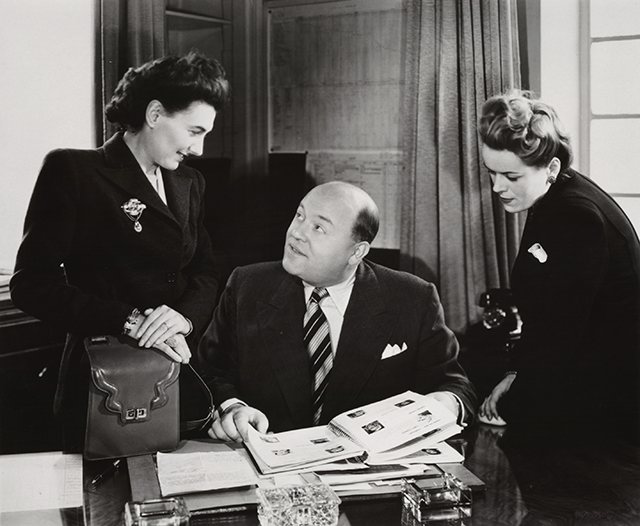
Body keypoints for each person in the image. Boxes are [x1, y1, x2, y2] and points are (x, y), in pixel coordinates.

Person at [10, 51, 230, 450]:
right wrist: (128, 320)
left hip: (178, 372)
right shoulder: (74, 171)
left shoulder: (190, 182)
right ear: (155, 114)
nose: (199, 148)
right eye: (194, 131)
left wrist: (183, 318)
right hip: (105, 380)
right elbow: (31, 285)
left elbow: (205, 271)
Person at [197, 181, 477, 442]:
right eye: (299, 216)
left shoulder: (412, 297)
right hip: (267, 458)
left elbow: (453, 385)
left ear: (356, 252)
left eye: (319, 228)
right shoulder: (247, 286)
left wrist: (445, 403)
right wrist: (233, 407)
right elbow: (208, 371)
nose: (297, 233)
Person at [477, 89, 640, 442]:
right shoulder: (556, 194)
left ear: (551, 167)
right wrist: (516, 372)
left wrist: (515, 389)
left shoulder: (574, 215)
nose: (497, 187)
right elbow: (551, 316)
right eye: (492, 173)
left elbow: (562, 332)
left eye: (511, 177)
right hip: (579, 375)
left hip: (606, 402)